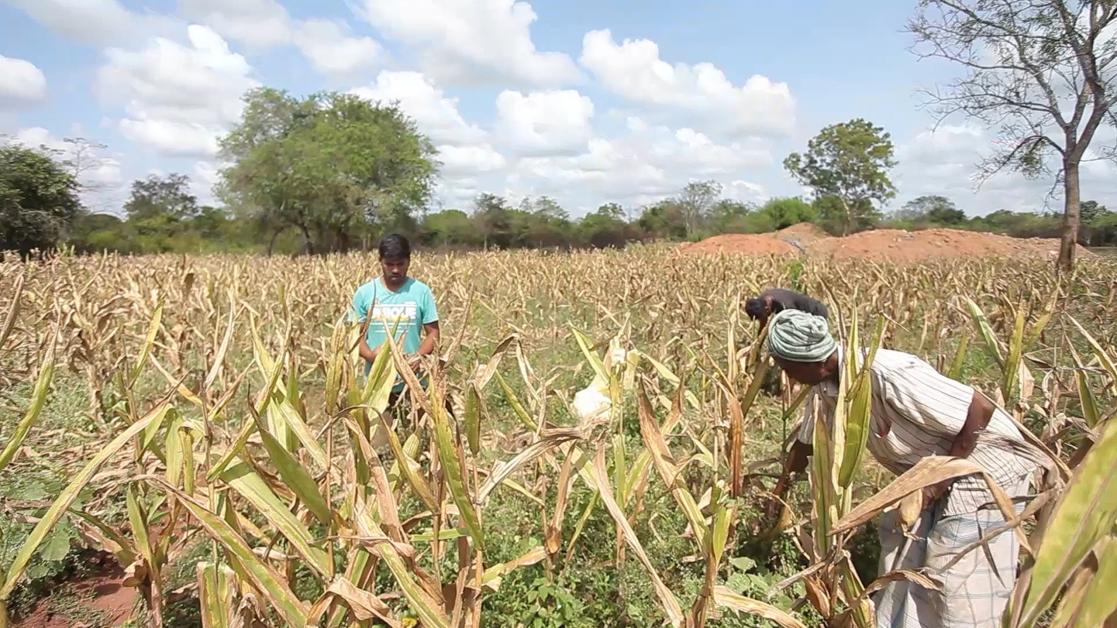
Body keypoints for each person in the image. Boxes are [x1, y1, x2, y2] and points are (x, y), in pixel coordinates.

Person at [765, 309, 1045, 627]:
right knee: (900, 539)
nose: (786, 377)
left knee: (952, 565)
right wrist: (779, 492)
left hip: (984, 465)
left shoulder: (886, 373)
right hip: (932, 470)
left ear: (811, 360)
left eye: (786, 368)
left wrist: (936, 481)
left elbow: (980, 407)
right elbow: (806, 444)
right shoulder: (825, 388)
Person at [349, 234, 440, 404]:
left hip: (413, 384)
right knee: (380, 429)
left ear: (409, 261)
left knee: (414, 429)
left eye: (400, 264)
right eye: (389, 265)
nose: (395, 270)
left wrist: (418, 357)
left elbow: (433, 334)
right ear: (380, 262)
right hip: (376, 383)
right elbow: (354, 334)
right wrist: (369, 355)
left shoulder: (422, 292)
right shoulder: (364, 293)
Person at [745, 287, 829, 328]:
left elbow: (798, 326)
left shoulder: (786, 307)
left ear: (767, 309)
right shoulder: (763, 300)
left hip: (816, 313)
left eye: (763, 316)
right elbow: (763, 322)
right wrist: (757, 344)